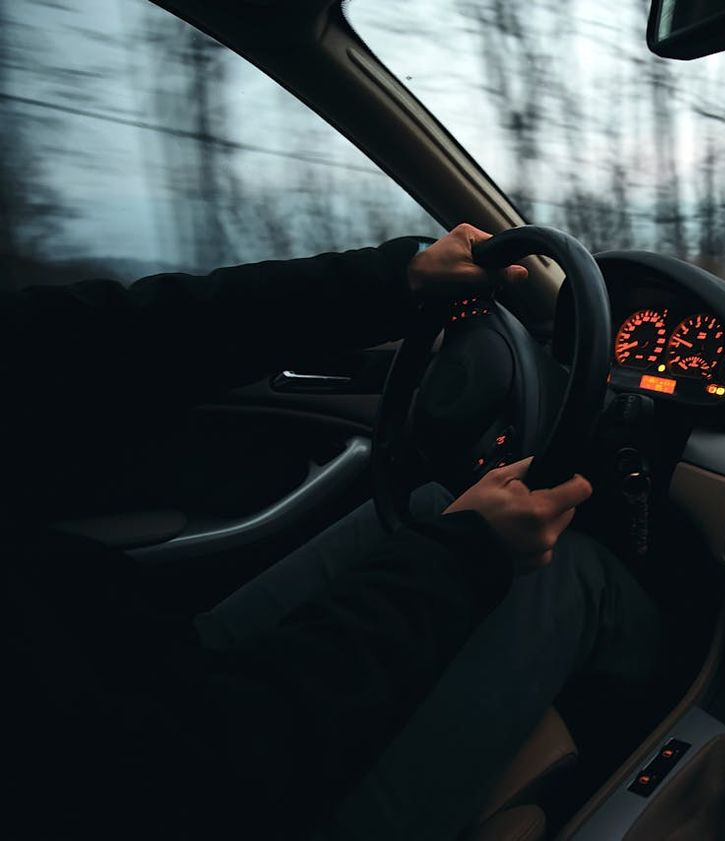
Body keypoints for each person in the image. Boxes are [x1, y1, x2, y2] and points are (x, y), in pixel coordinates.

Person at [0, 224, 661, 839]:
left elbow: (96, 341)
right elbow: (208, 764)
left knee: (436, 503)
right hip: (211, 787)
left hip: (140, 665)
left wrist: (395, 279)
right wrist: (468, 554)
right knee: (571, 570)